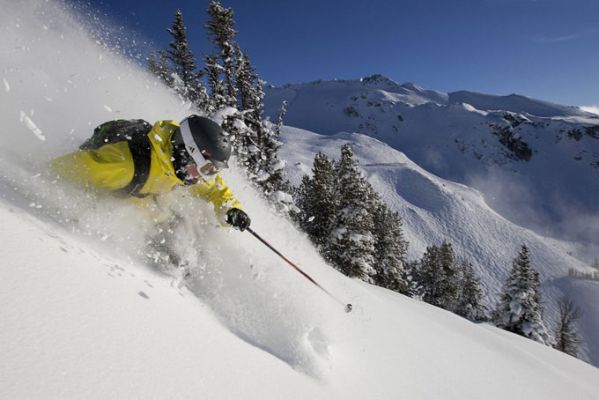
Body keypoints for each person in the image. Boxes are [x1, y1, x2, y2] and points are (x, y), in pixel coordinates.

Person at [51, 115, 251, 265]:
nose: (204, 177)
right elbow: (55, 173)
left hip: (156, 213)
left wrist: (231, 209)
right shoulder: (123, 166)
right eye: (206, 169)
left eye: (212, 171)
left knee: (193, 237)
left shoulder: (183, 168)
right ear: (186, 151)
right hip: (129, 220)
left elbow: (216, 189)